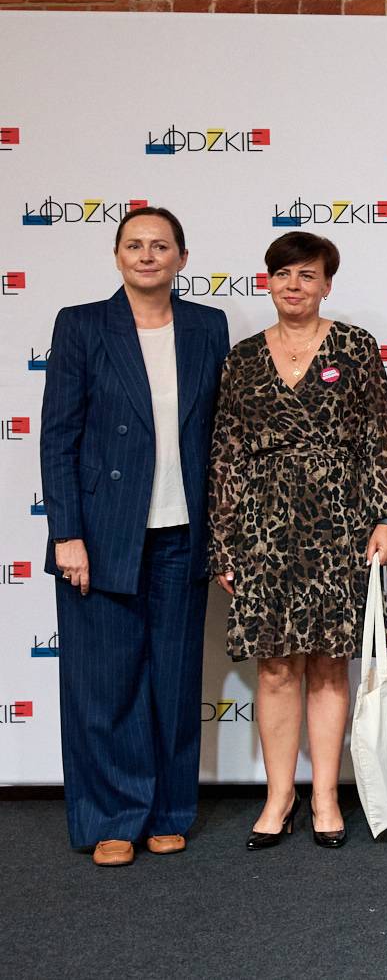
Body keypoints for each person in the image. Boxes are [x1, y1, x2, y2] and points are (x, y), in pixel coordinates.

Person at [40, 206, 230, 867]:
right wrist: (67, 534)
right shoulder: (82, 325)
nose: (147, 255)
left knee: (173, 683)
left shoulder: (208, 326)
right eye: (134, 244)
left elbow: (220, 436)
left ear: (182, 257)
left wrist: (226, 534)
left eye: (160, 245)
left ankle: (168, 812)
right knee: (105, 686)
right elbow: (58, 437)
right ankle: (114, 817)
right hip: (102, 535)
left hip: (183, 532)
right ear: (117, 255)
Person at [209, 232, 387, 850]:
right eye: (282, 274)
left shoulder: (355, 347)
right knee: (274, 668)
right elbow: (226, 454)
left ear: (326, 284)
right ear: (267, 282)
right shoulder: (242, 358)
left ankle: (325, 794)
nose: (293, 286)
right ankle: (279, 796)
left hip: (338, 523)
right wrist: (224, 541)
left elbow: (379, 436)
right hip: (262, 527)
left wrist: (386, 517)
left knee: (326, 663)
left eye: (306, 275)